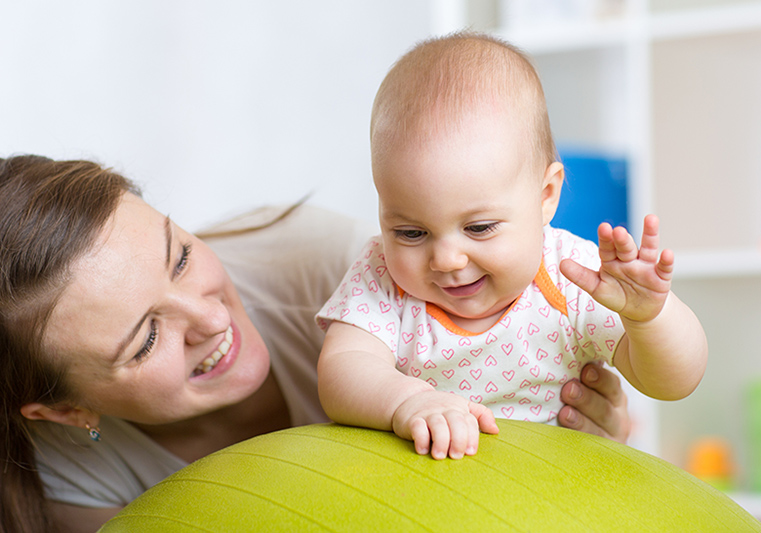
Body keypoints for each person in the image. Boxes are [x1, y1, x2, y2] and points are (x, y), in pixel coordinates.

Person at [0, 154, 632, 533]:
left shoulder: (340, 269)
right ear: (64, 412)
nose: (208, 317)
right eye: (147, 338)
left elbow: (535, 365)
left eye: (182, 256)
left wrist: (572, 441)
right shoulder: (63, 471)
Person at [315, 32, 708, 461]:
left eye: (480, 228)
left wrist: (650, 318)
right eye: (410, 233)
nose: (447, 260)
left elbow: (675, 382)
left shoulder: (573, 274)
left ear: (546, 196)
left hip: (552, 496)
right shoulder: (382, 276)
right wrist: (405, 401)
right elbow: (341, 371)